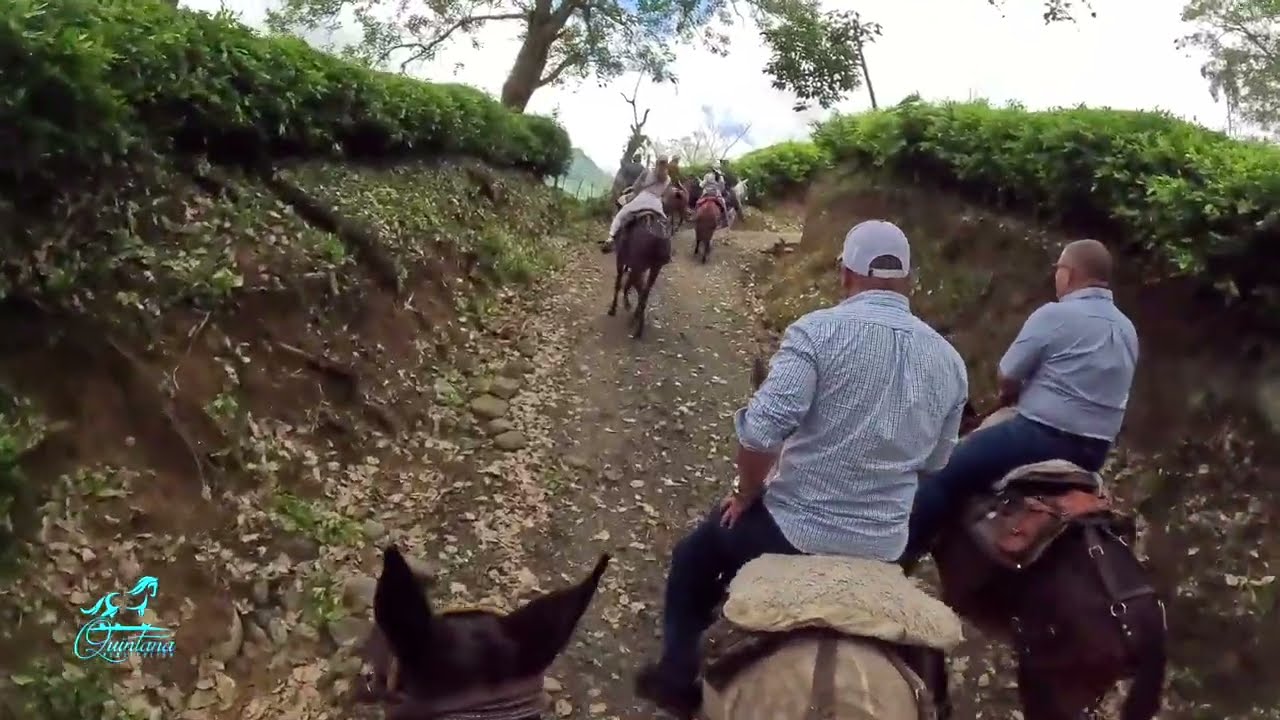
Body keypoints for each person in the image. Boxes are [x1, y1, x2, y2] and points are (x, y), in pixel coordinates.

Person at [634, 220, 970, 718]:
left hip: (787, 532)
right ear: (909, 281)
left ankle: (679, 677)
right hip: (882, 546)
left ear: (845, 274)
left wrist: (747, 495)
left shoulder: (817, 331)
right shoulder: (950, 362)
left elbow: (759, 433)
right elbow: (936, 463)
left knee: (693, 558)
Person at [899, 238, 1139, 574]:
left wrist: (1011, 394)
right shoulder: (1127, 330)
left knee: (943, 473)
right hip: (1095, 452)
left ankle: (900, 562)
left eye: (1058, 270)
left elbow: (1008, 374)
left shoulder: (1056, 315)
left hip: (1037, 437)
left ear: (1069, 275)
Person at [605, 155, 673, 253]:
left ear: (657, 162)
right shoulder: (668, 179)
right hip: (656, 204)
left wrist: (632, 190)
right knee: (665, 224)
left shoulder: (647, 172)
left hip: (642, 199)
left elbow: (636, 187)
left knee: (621, 214)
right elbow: (665, 195)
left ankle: (611, 238)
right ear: (667, 165)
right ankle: (666, 250)